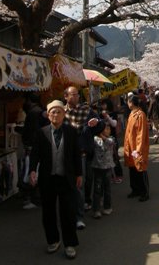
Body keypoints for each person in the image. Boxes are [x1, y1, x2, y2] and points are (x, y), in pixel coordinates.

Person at [29, 100, 82, 260]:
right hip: (48, 178)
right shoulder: (42, 132)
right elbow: (35, 153)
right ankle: (53, 240)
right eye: (53, 112)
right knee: (48, 212)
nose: (56, 115)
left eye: (59, 112)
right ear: (48, 114)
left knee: (68, 212)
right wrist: (32, 170)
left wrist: (79, 174)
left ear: (64, 114)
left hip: (66, 177)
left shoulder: (71, 132)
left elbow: (76, 154)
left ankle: (70, 244)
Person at [63, 86, 101, 226]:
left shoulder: (86, 110)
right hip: (65, 154)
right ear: (66, 96)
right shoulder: (61, 112)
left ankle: (79, 216)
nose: (76, 97)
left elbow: (100, 124)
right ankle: (72, 212)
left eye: (77, 94)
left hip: (82, 152)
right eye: (72, 94)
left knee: (81, 183)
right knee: (70, 185)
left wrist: (96, 123)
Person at [123, 95, 150, 201]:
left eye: (128, 102)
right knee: (132, 169)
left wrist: (138, 149)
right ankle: (135, 190)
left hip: (137, 147)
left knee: (140, 168)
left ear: (131, 103)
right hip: (130, 146)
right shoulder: (132, 114)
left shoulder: (140, 114)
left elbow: (141, 133)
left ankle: (144, 192)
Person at [91, 123, 115, 219]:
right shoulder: (94, 139)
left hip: (108, 167)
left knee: (107, 188)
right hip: (97, 167)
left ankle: (107, 207)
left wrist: (102, 136)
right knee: (97, 189)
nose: (108, 130)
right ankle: (96, 209)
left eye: (109, 129)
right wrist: (97, 134)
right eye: (105, 129)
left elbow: (110, 143)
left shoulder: (111, 139)